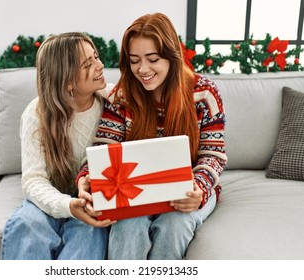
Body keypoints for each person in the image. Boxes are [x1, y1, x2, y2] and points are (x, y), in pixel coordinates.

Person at [76, 13, 227, 260]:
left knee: (174, 225)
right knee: (127, 226)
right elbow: (104, 147)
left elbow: (213, 155)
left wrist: (198, 189)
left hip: (188, 190)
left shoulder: (204, 93)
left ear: (171, 56)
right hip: (135, 192)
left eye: (153, 59)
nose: (142, 70)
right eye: (134, 61)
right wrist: (86, 177)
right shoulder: (121, 96)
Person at [0, 32, 115, 260]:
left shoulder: (112, 100)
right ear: (67, 80)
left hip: (91, 196)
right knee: (28, 223)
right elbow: (33, 180)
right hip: (53, 192)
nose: (100, 65)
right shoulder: (37, 114)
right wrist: (67, 205)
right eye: (87, 64)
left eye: (96, 57)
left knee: (90, 231)